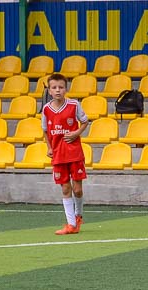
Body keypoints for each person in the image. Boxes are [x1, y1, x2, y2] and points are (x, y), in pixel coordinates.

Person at [41, 73, 89, 235]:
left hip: (74, 153)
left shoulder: (74, 105)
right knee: (65, 189)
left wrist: (76, 133)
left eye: (61, 87)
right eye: (54, 87)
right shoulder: (46, 109)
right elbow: (45, 131)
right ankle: (70, 224)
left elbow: (85, 121)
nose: (57, 90)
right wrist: (49, 148)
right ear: (49, 90)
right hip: (58, 155)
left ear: (66, 89)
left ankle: (78, 215)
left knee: (77, 189)